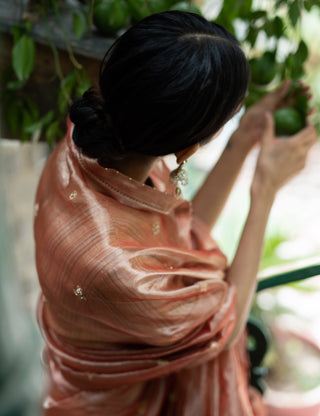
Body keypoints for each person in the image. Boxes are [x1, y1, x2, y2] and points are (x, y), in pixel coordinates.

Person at [34, 11, 316, 416]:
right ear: (185, 151)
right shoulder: (118, 268)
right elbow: (225, 323)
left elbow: (176, 239)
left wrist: (242, 141)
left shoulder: (89, 145)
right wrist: (265, 190)